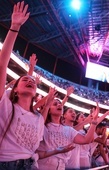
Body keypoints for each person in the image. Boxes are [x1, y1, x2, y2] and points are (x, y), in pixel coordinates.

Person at [0, 1, 45, 170]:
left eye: (32, 81)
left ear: (35, 93)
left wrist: (30, 71)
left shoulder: (39, 118)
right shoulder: (5, 105)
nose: (29, 80)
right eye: (24, 80)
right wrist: (14, 27)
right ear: (15, 90)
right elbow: (1, 66)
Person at [36, 87, 99, 170]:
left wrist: (94, 122)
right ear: (49, 110)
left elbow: (86, 140)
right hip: (43, 166)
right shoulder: (43, 125)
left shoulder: (68, 129)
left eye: (60, 104)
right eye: (55, 104)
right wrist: (47, 105)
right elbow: (39, 123)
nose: (59, 105)